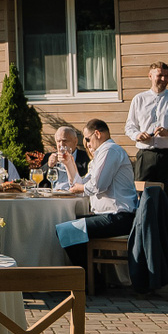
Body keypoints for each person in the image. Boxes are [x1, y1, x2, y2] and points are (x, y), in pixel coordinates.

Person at [59, 119, 138, 285]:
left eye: (87, 139)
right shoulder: (100, 155)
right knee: (66, 224)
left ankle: (91, 282)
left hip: (119, 217)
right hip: (108, 215)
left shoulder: (110, 150)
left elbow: (97, 186)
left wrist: (79, 188)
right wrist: (69, 164)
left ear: (97, 133)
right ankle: (93, 280)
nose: (87, 144)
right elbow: (81, 184)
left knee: (67, 230)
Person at [123, 61, 168, 190]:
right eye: (160, 75)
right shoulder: (139, 99)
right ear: (150, 76)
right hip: (146, 155)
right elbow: (129, 126)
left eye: (166, 76)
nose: (163, 79)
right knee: (143, 194)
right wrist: (138, 135)